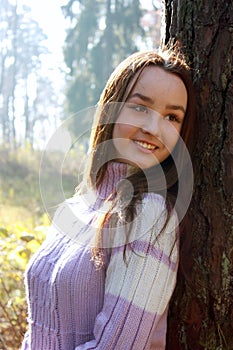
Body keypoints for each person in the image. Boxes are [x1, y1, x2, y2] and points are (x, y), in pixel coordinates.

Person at [22, 47, 196, 349]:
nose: (153, 128)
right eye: (140, 107)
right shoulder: (78, 206)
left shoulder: (150, 216)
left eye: (171, 116)